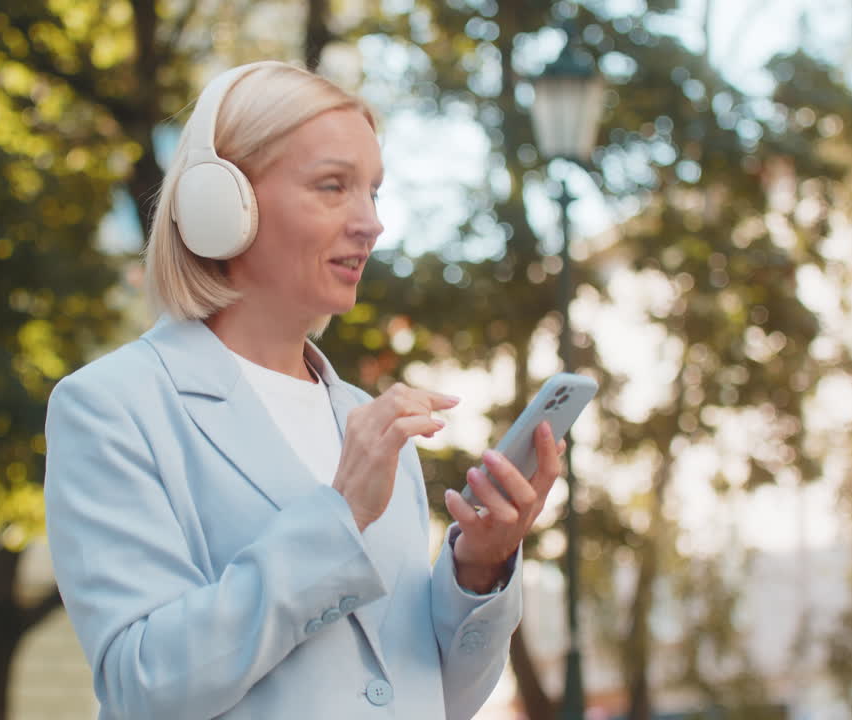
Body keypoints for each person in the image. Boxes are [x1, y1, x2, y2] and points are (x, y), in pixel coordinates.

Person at [44, 60, 566, 720]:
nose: (370, 222)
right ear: (221, 202)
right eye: (332, 187)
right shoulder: (113, 407)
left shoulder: (373, 426)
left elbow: (434, 699)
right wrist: (339, 517)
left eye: (374, 191)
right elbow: (144, 683)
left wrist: (480, 569)